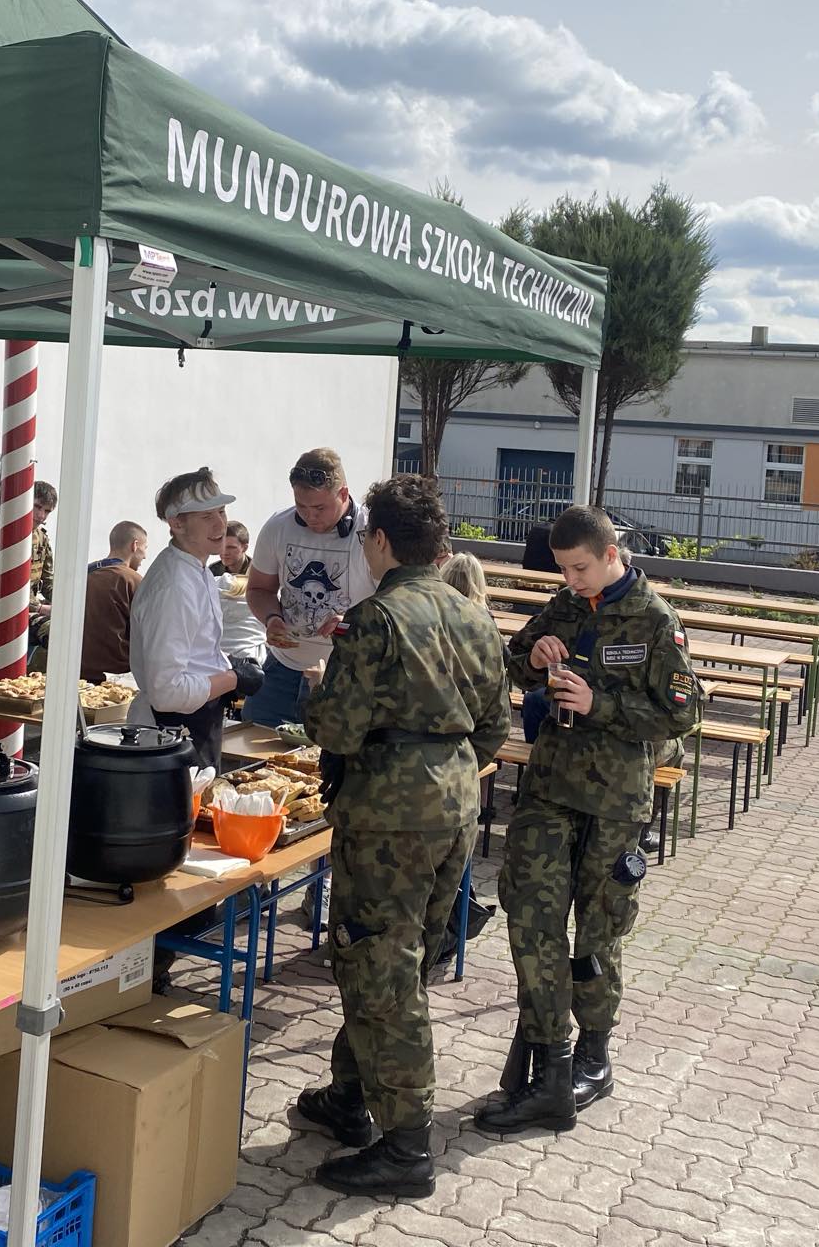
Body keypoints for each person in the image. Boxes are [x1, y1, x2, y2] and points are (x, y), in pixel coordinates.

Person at [294, 474, 509, 1198]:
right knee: (396, 961)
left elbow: (337, 728)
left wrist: (318, 690)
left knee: (379, 967)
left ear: (381, 539)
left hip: (389, 814)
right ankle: (349, 1095)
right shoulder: (473, 615)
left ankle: (406, 1146)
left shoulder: (375, 619)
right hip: (455, 803)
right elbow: (494, 728)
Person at [480, 506, 701, 1136]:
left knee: (596, 934)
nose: (571, 580)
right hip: (550, 789)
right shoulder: (567, 605)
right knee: (531, 919)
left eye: (579, 568)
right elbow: (513, 662)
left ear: (610, 554)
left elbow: (682, 714)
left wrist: (598, 704)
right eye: (563, 569)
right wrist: (535, 655)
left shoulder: (655, 620)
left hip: (613, 802)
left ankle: (594, 1055)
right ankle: (548, 1058)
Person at [130, 469, 263, 771]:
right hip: (171, 734)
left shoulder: (196, 569)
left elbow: (194, 653)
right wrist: (233, 678)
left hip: (194, 726)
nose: (220, 524)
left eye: (221, 511)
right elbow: (167, 692)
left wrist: (227, 663)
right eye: (206, 516)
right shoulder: (174, 585)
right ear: (177, 523)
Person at [244, 449, 377, 728]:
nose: (309, 517)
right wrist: (272, 618)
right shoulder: (278, 526)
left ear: (343, 494)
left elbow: (393, 605)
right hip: (282, 667)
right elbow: (258, 589)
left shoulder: (371, 532)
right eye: (301, 507)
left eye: (319, 508)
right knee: (250, 741)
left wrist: (350, 623)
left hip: (343, 674)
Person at [0, 479, 57, 669]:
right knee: (53, 631)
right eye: (37, 506)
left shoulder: (41, 538)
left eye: (47, 511)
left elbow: (48, 580)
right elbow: (0, 585)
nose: (41, 515)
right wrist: (40, 608)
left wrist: (62, 603)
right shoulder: (3, 533)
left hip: (27, 609)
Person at [80, 520, 149, 681]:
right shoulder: (134, 581)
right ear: (134, 545)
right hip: (118, 674)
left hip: (78, 668)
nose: (145, 556)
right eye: (145, 548)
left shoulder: (84, 575)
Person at [211, 521, 268, 664]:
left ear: (245, 547)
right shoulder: (212, 572)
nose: (224, 552)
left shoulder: (259, 573)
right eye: (221, 546)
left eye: (231, 547)